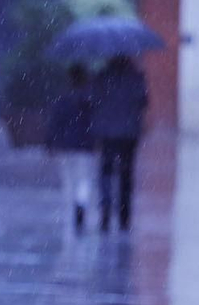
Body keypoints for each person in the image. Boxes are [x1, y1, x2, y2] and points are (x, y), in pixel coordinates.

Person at [92, 54, 149, 232]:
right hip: (128, 133)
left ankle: (106, 206)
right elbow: (143, 101)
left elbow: (93, 100)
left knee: (106, 171)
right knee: (126, 173)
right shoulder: (136, 77)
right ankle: (124, 214)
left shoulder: (102, 76)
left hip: (107, 132)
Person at [46, 65, 95, 233]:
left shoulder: (63, 100)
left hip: (65, 146)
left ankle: (70, 212)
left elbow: (54, 123)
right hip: (85, 146)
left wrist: (50, 143)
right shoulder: (90, 100)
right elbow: (95, 123)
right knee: (84, 179)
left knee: (68, 181)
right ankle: (81, 204)